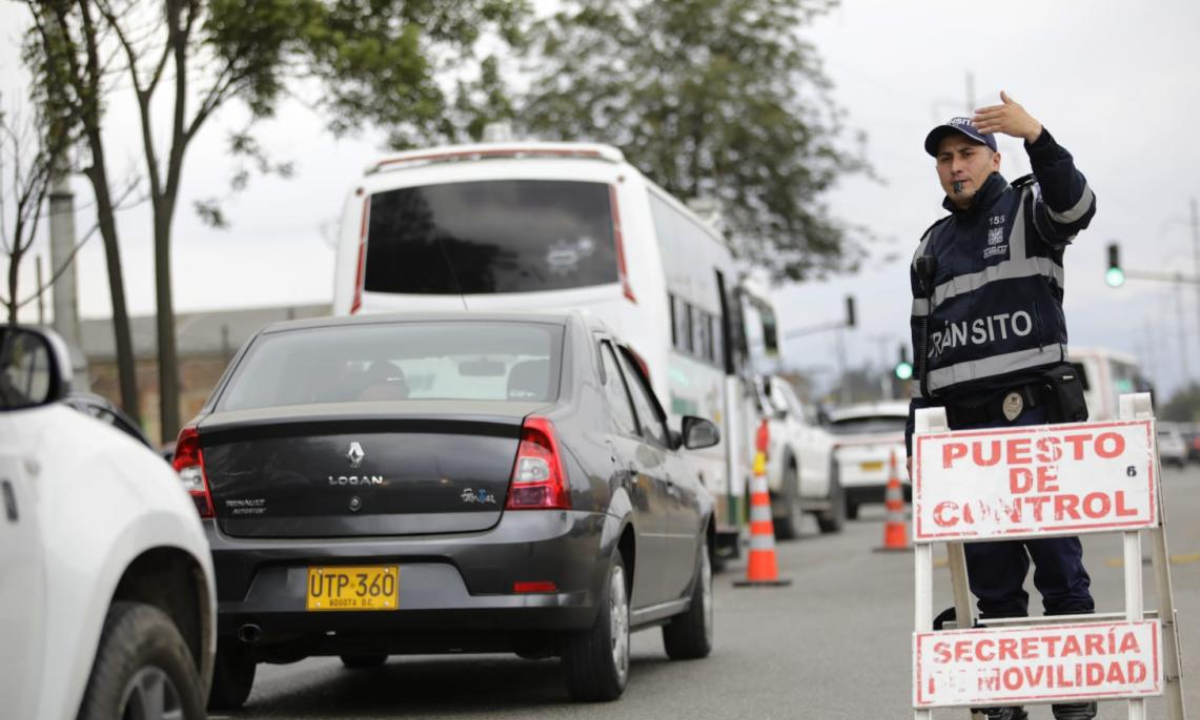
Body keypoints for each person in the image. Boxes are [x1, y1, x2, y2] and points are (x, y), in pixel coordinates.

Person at [905, 92, 1098, 720]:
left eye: (966, 154)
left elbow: (1076, 203)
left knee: (1061, 577)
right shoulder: (929, 248)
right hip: (965, 438)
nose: (954, 166)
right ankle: (1006, 706)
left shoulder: (1028, 208)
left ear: (992, 157)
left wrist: (1037, 135)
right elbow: (924, 360)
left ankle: (1074, 708)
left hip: (1036, 421)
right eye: (944, 158)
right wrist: (920, 444)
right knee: (992, 589)